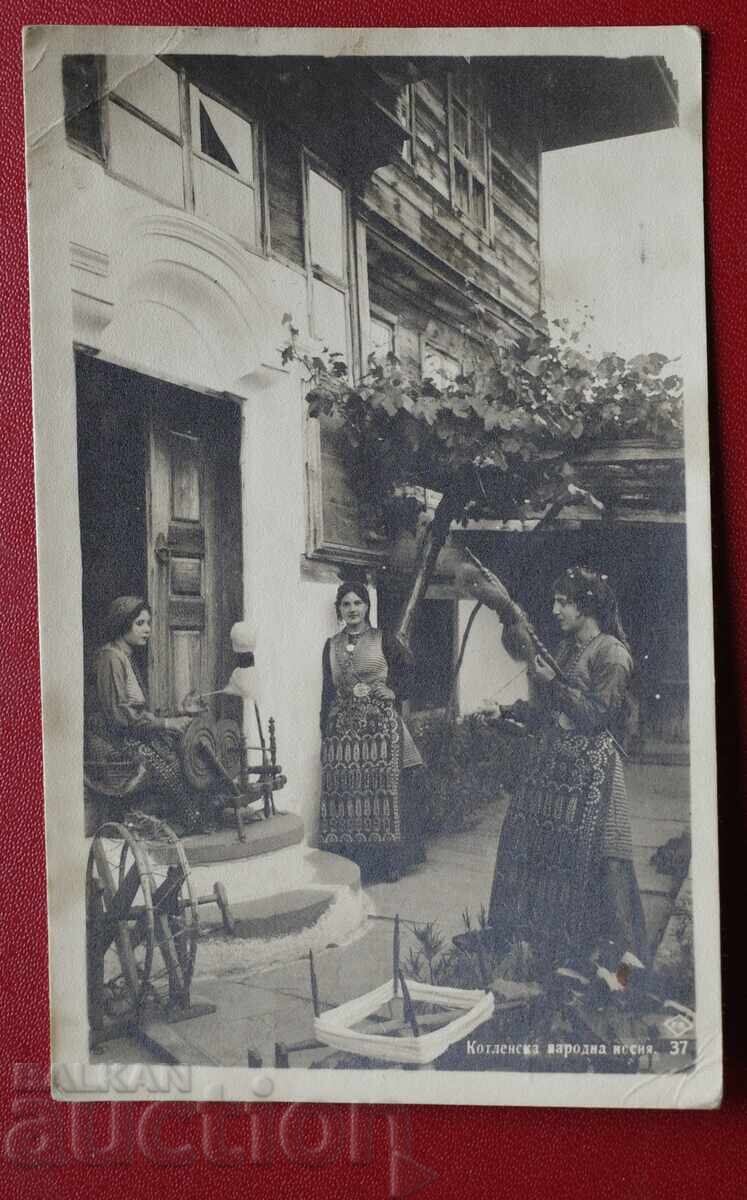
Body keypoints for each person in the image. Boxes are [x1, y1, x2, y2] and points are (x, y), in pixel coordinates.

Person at [488, 566, 647, 992]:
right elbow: (547, 715)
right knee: (538, 854)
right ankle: (547, 952)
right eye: (555, 600)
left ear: (587, 607)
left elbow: (596, 716)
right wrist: (506, 713)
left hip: (595, 779)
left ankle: (622, 971)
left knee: (607, 864)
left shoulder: (612, 654)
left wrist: (552, 685)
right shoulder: (565, 649)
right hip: (558, 774)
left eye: (564, 601)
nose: (555, 609)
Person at [319, 581, 426, 882]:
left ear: (367, 606)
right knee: (350, 796)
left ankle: (389, 864)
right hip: (344, 734)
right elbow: (327, 691)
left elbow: (411, 671)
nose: (352, 609)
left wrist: (395, 692)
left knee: (384, 795)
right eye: (346, 604)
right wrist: (324, 732)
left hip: (380, 730)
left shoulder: (384, 639)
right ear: (339, 610)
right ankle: (354, 864)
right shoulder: (331, 646)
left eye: (357, 603)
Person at [85, 595, 207, 832]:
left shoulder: (124, 656)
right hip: (109, 744)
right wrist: (166, 723)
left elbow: (137, 712)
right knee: (167, 765)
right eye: (140, 623)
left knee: (179, 750)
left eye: (148, 623)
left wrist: (179, 713)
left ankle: (187, 817)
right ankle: (179, 821)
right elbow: (120, 716)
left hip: (125, 734)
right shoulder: (110, 658)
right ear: (123, 624)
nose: (148, 630)